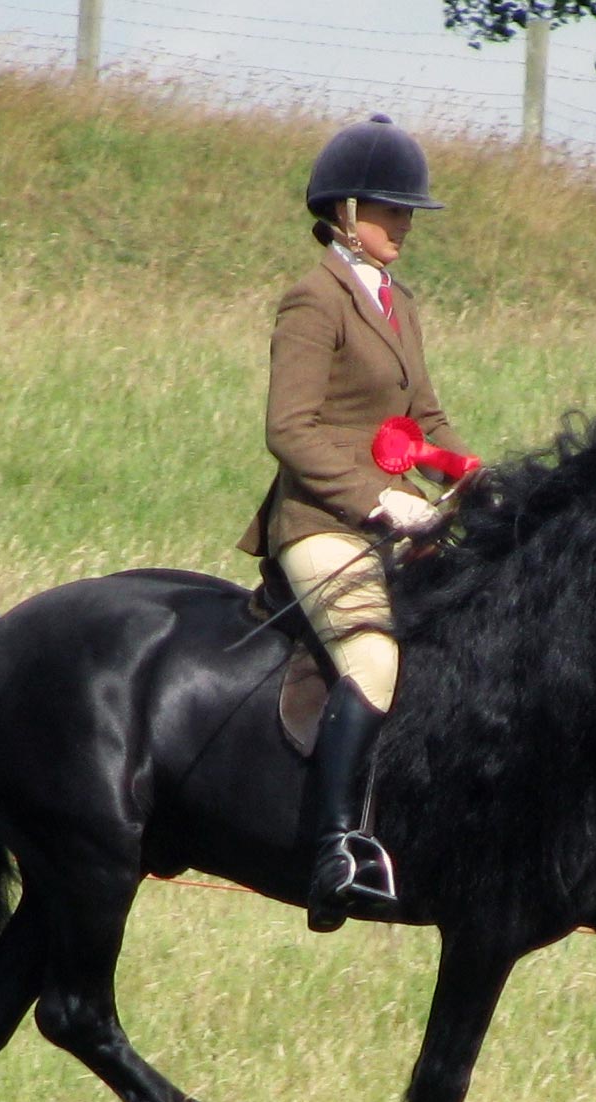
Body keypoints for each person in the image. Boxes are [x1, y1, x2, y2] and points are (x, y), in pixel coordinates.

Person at [238, 114, 477, 934]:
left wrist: (479, 481)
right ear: (343, 213)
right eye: (388, 211)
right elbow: (289, 429)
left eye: (408, 213)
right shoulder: (313, 300)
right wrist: (380, 500)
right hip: (319, 522)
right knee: (373, 659)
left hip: (398, 522)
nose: (403, 226)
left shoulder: (398, 302)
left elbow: (429, 418)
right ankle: (334, 849)